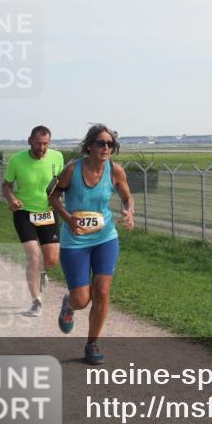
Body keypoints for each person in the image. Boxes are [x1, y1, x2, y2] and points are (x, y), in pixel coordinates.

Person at [49, 124, 134, 364]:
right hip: (74, 241)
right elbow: (53, 196)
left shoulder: (115, 171)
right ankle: (69, 305)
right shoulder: (71, 170)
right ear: (89, 146)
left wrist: (129, 212)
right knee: (81, 299)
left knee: (103, 291)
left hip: (105, 237)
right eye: (101, 143)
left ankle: (92, 344)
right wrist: (68, 218)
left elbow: (127, 198)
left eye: (110, 144)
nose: (106, 147)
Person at [2, 125, 65, 317]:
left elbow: (61, 182)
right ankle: (36, 301)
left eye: (45, 143)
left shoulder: (58, 157)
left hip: (48, 212)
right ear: (30, 141)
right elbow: (6, 185)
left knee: (52, 260)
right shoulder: (17, 160)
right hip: (24, 212)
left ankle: (42, 273)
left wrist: (60, 197)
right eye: (38, 143)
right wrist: (11, 199)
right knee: (33, 256)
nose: (42, 147)